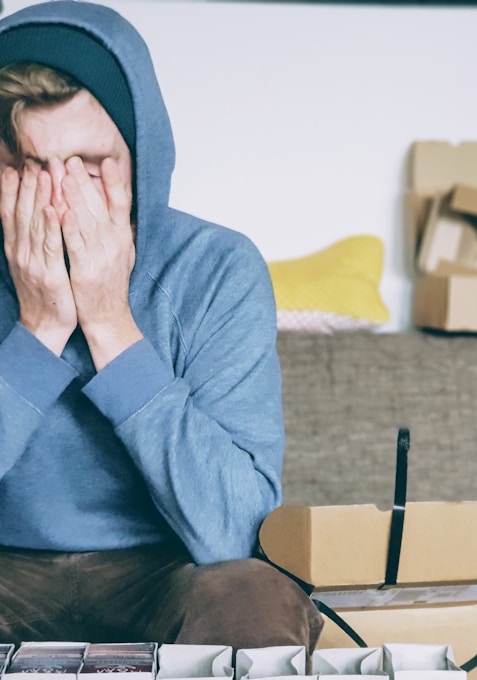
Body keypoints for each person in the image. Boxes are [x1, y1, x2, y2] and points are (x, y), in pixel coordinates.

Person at [0, 0, 323, 653]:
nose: (59, 200)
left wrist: (110, 322)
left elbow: (234, 532)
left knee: (253, 592)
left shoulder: (216, 267)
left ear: (141, 157)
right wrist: (38, 330)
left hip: (167, 573)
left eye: (89, 164)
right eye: (30, 166)